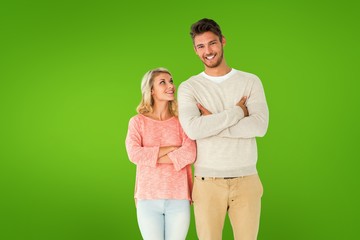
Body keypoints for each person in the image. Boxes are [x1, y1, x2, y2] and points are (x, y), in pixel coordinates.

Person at [177, 18, 269, 240]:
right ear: (195, 50)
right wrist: (237, 113)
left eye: (212, 43)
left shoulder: (250, 81)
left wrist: (213, 124)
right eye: (201, 46)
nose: (208, 51)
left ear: (223, 42)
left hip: (247, 179)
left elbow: (260, 126)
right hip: (207, 182)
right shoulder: (189, 87)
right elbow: (193, 130)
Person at [125, 67, 196, 240]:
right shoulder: (138, 122)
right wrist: (170, 149)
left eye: (171, 81)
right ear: (151, 90)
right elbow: (134, 154)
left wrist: (152, 156)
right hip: (148, 198)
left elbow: (190, 154)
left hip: (179, 197)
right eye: (162, 82)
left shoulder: (182, 122)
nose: (170, 86)